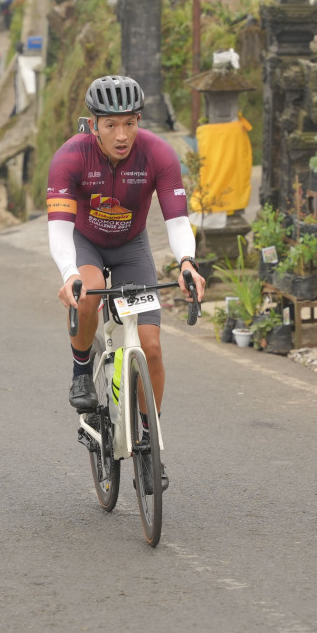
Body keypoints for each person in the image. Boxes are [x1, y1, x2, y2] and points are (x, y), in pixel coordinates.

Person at [48, 75, 204, 492]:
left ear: (139, 121)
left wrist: (187, 263)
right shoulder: (70, 157)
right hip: (86, 244)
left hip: (132, 248)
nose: (122, 135)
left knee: (151, 347)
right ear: (93, 125)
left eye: (130, 123)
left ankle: (149, 446)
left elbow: (177, 220)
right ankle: (82, 371)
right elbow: (59, 228)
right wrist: (69, 273)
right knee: (87, 295)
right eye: (111, 125)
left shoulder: (158, 153)